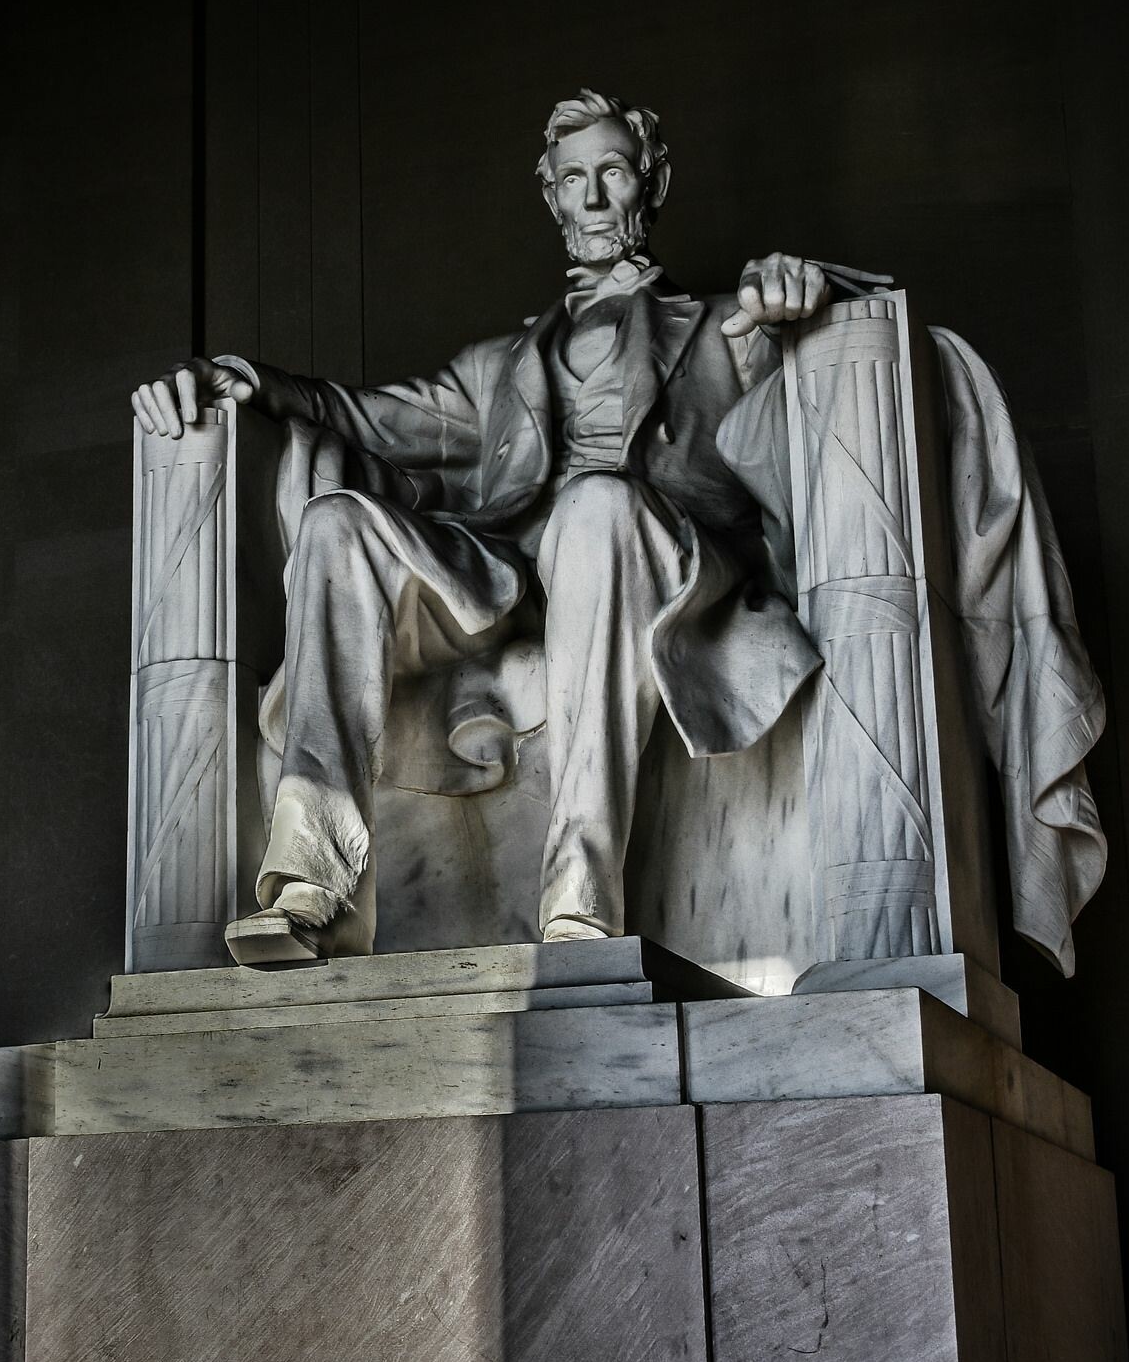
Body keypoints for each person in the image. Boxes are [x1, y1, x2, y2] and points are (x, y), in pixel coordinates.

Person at [131, 88, 866, 965]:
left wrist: (800, 293)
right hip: (507, 572)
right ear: (550, 196)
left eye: (613, 173)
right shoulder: (499, 367)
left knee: (596, 507)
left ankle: (580, 899)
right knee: (334, 523)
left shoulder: (722, 325)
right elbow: (360, 415)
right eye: (572, 180)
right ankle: (317, 882)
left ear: (651, 182)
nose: (593, 197)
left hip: (654, 563)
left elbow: (825, 326)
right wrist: (233, 377)